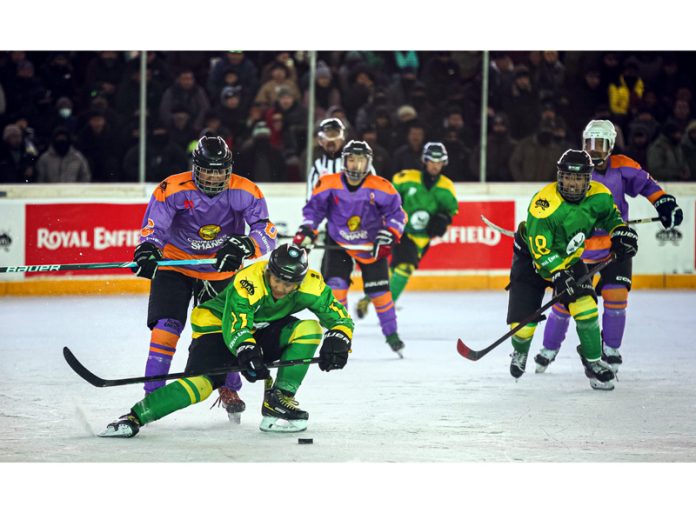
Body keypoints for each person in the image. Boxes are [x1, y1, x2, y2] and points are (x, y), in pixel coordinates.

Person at [99, 244, 353, 437]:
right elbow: (236, 327)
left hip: (260, 327)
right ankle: (133, 418)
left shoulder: (312, 285)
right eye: (277, 280)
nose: (282, 289)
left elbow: (340, 317)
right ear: (268, 271)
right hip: (217, 327)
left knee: (309, 328)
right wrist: (248, 352)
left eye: (290, 285)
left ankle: (278, 400)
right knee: (200, 386)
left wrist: (340, 339)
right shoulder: (248, 281)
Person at [131, 135, 277, 422]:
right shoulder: (171, 188)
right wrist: (148, 248)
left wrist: (246, 245)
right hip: (176, 265)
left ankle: (228, 386)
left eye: (220, 169)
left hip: (220, 269)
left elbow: (266, 229)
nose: (213, 176)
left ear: (229, 168)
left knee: (219, 335)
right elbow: (154, 226)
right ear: (196, 167)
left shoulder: (246, 191)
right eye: (207, 169)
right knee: (165, 328)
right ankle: (153, 393)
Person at [534, 120, 683, 374]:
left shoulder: (623, 166)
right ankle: (549, 348)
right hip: (578, 251)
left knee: (616, 297)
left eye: (600, 144)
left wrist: (664, 203)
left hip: (616, 246)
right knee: (564, 302)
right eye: (590, 143)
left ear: (611, 146)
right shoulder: (577, 169)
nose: (594, 150)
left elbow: (648, 185)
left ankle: (611, 349)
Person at [507, 149, 638, 391]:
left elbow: (611, 218)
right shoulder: (544, 205)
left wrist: (620, 233)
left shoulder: (600, 196)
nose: (572, 183)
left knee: (586, 307)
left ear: (588, 179)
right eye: (568, 177)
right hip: (531, 261)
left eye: (578, 178)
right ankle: (520, 351)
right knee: (524, 326)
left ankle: (594, 361)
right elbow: (540, 253)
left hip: (568, 259)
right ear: (560, 177)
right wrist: (559, 273)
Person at [293, 140, 407, 356]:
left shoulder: (381, 186)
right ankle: (340, 336)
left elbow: (397, 214)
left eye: (361, 161)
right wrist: (308, 229)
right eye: (351, 160)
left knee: (380, 293)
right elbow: (314, 211)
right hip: (339, 244)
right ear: (344, 161)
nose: (355, 166)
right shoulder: (328, 183)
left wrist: (391, 233)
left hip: (371, 246)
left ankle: (392, 335)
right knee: (336, 290)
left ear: (369, 163)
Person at [355, 142, 458, 318]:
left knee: (395, 271)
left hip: (422, 239)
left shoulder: (446, 187)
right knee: (405, 267)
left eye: (439, 161)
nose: (435, 165)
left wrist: (443, 218)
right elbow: (387, 196)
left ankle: (368, 298)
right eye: (432, 161)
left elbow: (450, 210)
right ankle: (386, 308)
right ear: (424, 161)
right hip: (400, 231)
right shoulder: (405, 178)